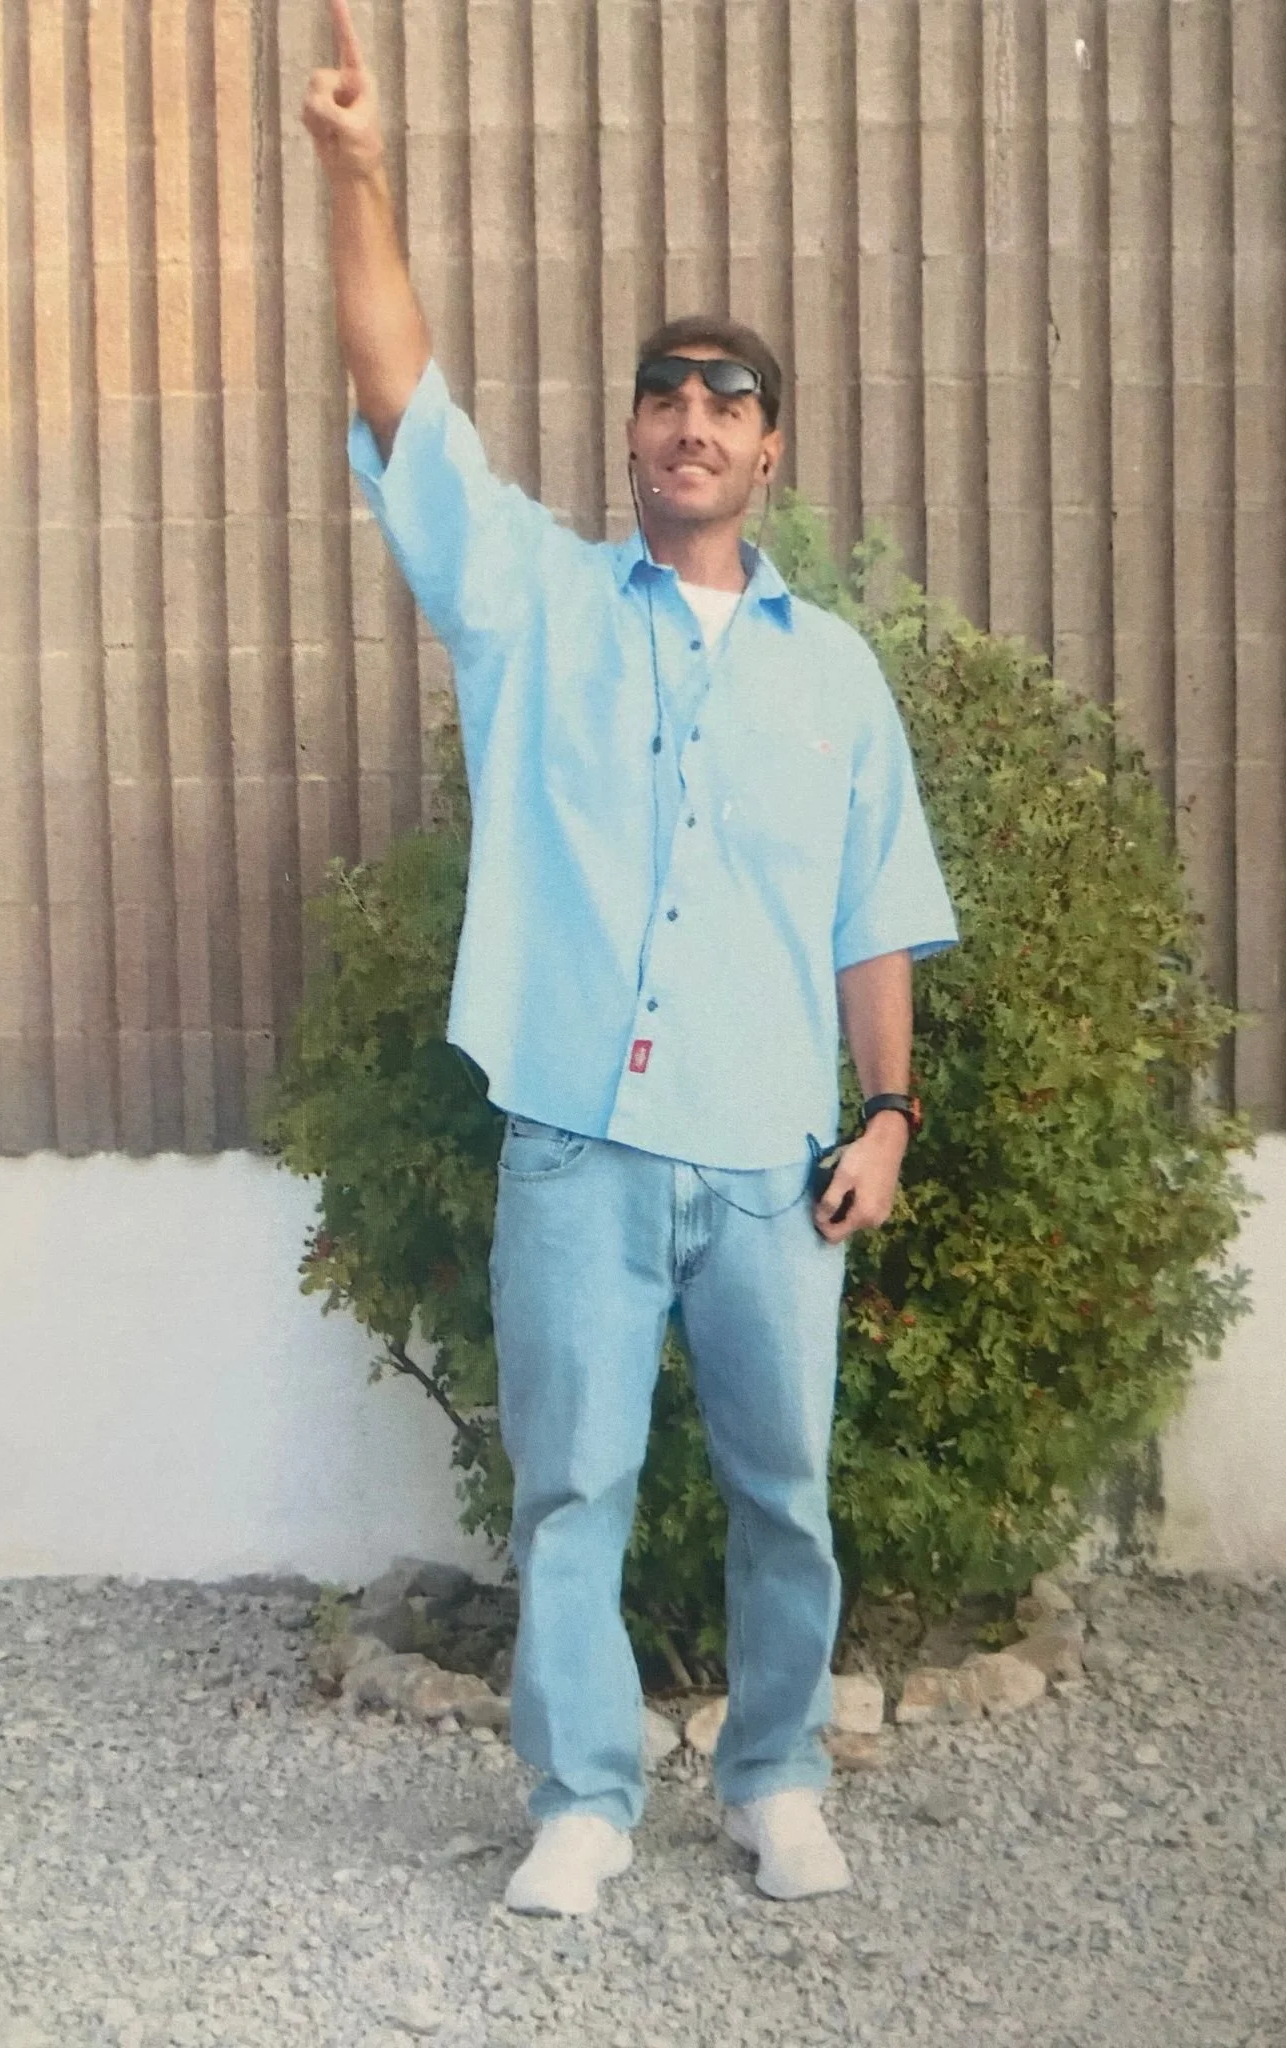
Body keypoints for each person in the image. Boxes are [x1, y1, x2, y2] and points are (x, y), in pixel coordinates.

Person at [303, 0, 958, 1917]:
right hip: (577, 1141)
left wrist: (890, 1113)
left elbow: (873, 909)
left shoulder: (831, 674)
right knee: (573, 1493)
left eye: (729, 399)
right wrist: (357, 176)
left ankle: (771, 1778)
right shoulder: (528, 607)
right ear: (630, 436)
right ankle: (581, 1800)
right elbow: (402, 394)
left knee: (785, 1498)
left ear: (769, 451)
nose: (693, 419)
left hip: (769, 1157)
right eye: (666, 393)